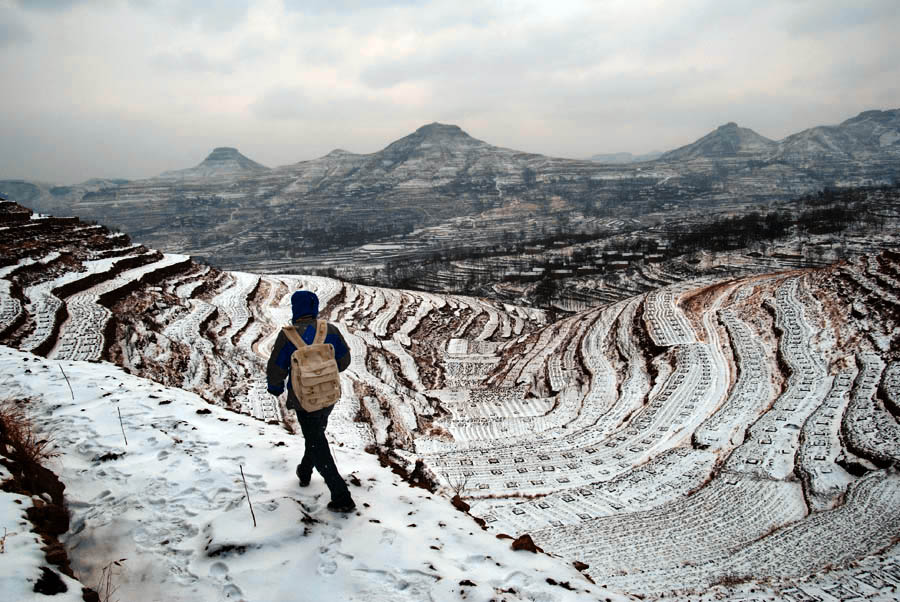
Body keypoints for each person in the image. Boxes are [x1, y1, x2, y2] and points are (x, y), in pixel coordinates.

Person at [266, 290, 355, 512]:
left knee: (316, 440)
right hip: (328, 396)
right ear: (314, 307)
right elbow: (344, 361)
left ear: (295, 309)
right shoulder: (330, 330)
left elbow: (276, 367)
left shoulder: (287, 336)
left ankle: (341, 496)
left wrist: (275, 388)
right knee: (316, 435)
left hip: (303, 400)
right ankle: (305, 471)